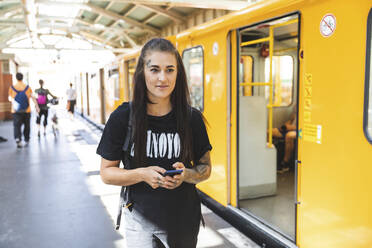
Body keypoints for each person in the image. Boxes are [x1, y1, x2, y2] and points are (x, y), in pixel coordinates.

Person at [96, 38, 212, 248]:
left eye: (170, 70)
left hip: (183, 222)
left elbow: (205, 169)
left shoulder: (191, 118)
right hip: (140, 225)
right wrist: (142, 174)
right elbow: (106, 173)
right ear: (143, 72)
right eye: (154, 69)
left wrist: (186, 175)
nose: (162, 78)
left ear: (178, 73)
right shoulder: (123, 117)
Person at [8, 72, 40, 148]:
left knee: (17, 125)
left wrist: (15, 101)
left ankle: (18, 138)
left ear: (16, 78)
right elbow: (33, 97)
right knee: (27, 125)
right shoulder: (27, 87)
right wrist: (37, 106)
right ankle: (26, 139)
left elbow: (10, 98)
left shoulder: (12, 87)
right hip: (26, 110)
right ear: (22, 78)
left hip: (15, 110)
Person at [270, 107, 297, 173]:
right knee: (269, 132)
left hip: (301, 131)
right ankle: (270, 158)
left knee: (289, 136)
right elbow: (291, 120)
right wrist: (286, 125)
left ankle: (285, 163)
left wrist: (291, 127)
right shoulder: (296, 110)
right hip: (290, 129)